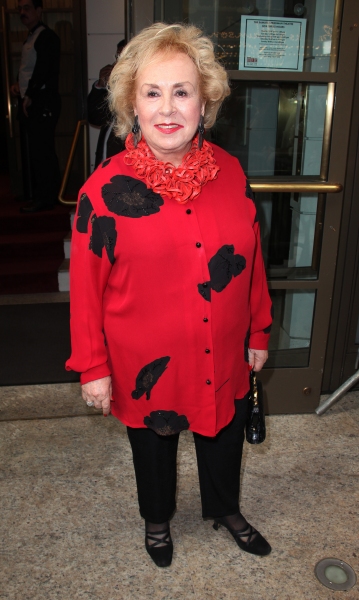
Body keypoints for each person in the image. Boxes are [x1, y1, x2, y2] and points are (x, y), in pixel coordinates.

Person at [66, 23, 273, 569]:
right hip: (146, 363)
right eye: (152, 92)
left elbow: (252, 264)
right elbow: (85, 291)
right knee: (153, 448)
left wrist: (258, 330)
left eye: (181, 91)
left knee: (223, 434)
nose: (168, 108)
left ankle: (225, 509)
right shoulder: (104, 191)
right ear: (132, 103)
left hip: (221, 348)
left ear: (204, 103)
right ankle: (157, 522)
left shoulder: (231, 175)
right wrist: (93, 366)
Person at [10, 0, 61, 213]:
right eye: (20, 9)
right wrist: (19, 88)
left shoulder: (46, 36)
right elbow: (28, 70)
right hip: (32, 101)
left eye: (27, 8)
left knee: (43, 150)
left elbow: (43, 69)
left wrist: (29, 94)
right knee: (37, 150)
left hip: (42, 102)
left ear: (39, 11)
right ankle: (40, 194)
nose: (23, 12)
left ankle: (47, 197)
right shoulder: (31, 36)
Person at [87, 40, 126, 169]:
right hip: (105, 165)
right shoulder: (112, 89)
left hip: (124, 171)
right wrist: (101, 86)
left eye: (123, 58)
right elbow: (94, 118)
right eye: (117, 57)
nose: (117, 63)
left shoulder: (142, 91)